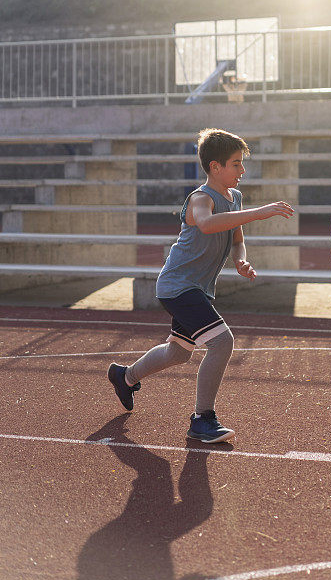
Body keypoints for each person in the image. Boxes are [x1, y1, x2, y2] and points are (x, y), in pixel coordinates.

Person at [108, 128, 294, 443]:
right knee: (222, 342)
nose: (242, 170)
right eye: (236, 164)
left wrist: (240, 260)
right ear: (214, 167)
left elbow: (237, 238)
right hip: (178, 286)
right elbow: (206, 224)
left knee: (178, 352)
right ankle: (202, 419)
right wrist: (262, 213)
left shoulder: (234, 197)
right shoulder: (200, 198)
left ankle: (124, 377)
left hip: (195, 288)